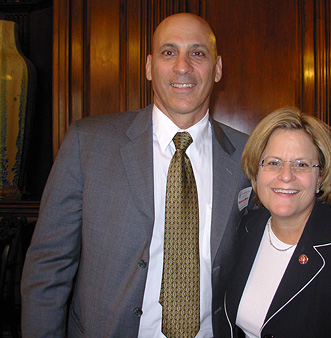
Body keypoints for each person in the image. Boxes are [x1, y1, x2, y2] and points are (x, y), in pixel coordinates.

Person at [21, 13, 253, 338]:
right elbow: (48, 266)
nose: (183, 66)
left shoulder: (250, 157)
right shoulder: (87, 143)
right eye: (168, 52)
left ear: (217, 69)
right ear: (148, 67)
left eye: (197, 53)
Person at [222, 107, 331, 338]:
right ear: (257, 170)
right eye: (273, 162)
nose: (286, 175)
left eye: (301, 164)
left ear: (320, 176)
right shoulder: (246, 227)